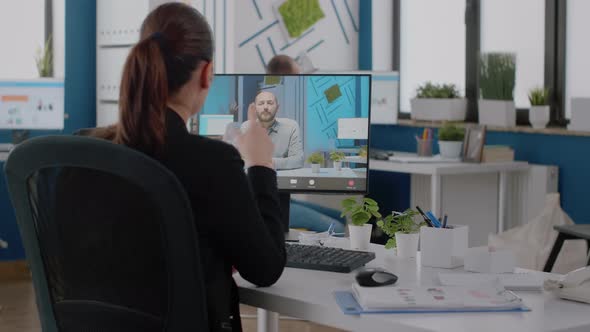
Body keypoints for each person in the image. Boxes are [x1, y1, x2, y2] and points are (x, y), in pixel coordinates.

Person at [86, 3, 285, 331]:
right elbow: (266, 269)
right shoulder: (214, 162)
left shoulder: (90, 150)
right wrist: (261, 164)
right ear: (207, 73)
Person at [241, 90, 304, 170]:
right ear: (255, 108)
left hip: (282, 179)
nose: (265, 107)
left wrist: (270, 162)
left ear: (277, 107)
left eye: (270, 103)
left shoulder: (291, 127)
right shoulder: (246, 127)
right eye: (261, 103)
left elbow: (298, 160)